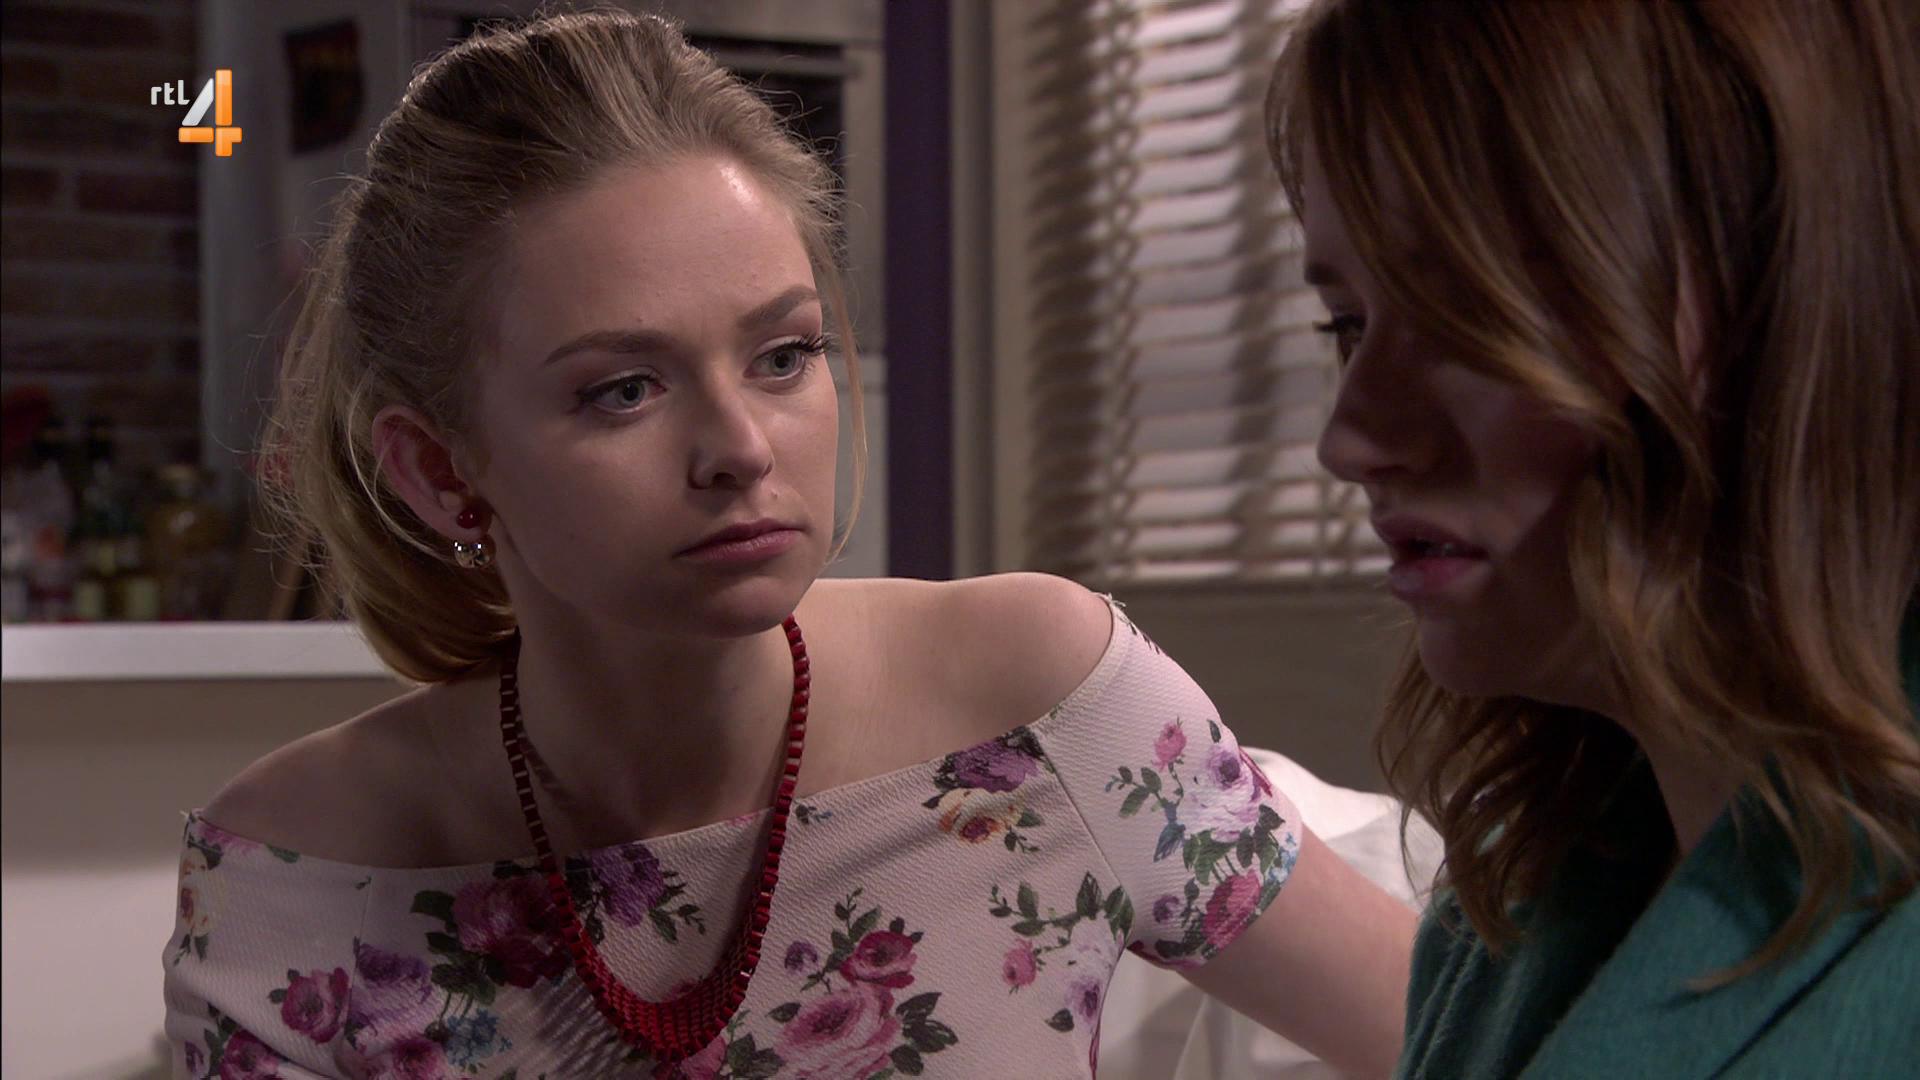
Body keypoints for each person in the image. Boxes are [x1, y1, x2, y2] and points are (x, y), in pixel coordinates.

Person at [161, 9, 1416, 1077]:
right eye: (623, 390)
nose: (740, 447)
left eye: (782, 355)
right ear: (441, 472)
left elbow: (1467, 1041)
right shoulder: (292, 875)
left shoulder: (1040, 699)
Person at [1266, 1, 1920, 1076]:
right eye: (1350, 325)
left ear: (1803, 307)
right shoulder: (1511, 919)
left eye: (1470, 312)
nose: (1352, 441)